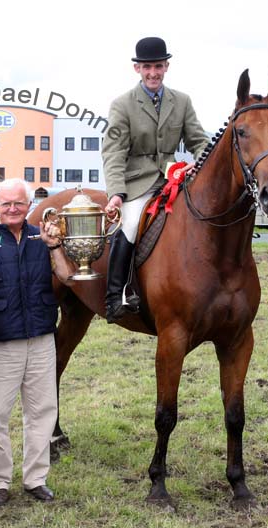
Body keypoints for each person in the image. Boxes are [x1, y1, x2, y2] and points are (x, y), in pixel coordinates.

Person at [0, 178, 73, 506]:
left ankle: (35, 478)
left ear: (29, 205)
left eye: (19, 203)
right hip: (0, 344)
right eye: (6, 204)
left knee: (42, 412)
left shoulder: (44, 237)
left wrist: (55, 247)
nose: (12, 209)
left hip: (41, 338)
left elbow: (67, 277)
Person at [102, 36, 209, 323]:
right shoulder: (122, 105)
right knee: (132, 222)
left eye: (158, 67)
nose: (153, 73)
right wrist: (116, 192)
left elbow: (199, 141)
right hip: (138, 183)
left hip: (174, 178)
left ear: (166, 66)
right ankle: (116, 295)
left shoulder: (182, 101)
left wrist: (199, 164)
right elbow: (113, 152)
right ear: (137, 68)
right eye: (147, 67)